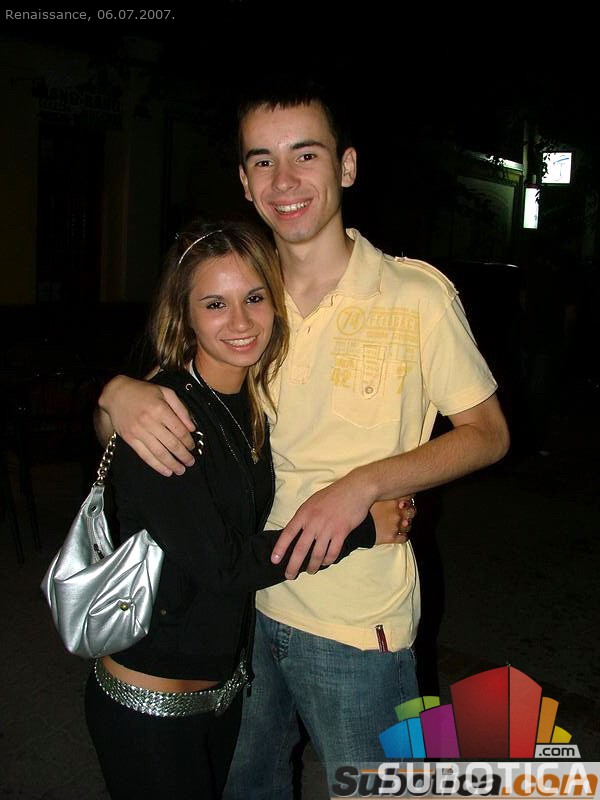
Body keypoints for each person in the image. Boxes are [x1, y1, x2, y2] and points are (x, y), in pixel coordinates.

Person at [95, 80, 510, 797]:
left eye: (305, 155)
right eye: (263, 160)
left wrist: (364, 484)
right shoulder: (247, 299)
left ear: (346, 166)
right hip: (245, 616)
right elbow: (156, 417)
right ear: (244, 180)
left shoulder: (415, 296)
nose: (283, 180)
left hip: (358, 625)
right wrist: (113, 396)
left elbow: (489, 433)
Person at [85, 217, 407, 800]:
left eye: (254, 298)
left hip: (222, 692)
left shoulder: (248, 400)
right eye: (215, 304)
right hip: (150, 707)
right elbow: (226, 565)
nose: (240, 322)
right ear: (184, 315)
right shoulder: (165, 416)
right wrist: (361, 527)